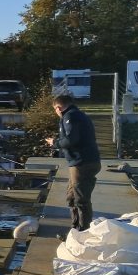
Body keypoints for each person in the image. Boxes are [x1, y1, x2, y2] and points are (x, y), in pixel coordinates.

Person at [45, 93, 101, 231]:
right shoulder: (79, 115)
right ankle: (75, 227)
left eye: (55, 110)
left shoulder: (70, 116)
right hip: (83, 162)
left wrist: (55, 143)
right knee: (71, 196)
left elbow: (71, 140)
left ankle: (83, 230)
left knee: (81, 199)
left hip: (82, 163)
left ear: (58, 107)